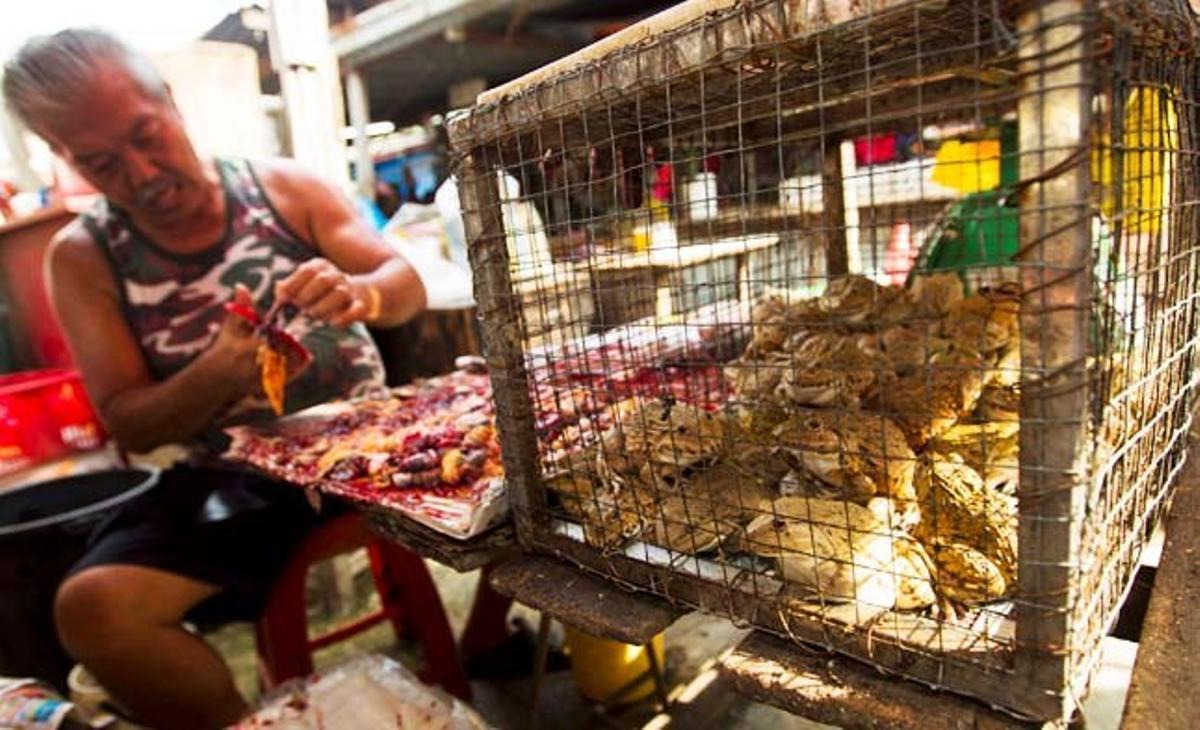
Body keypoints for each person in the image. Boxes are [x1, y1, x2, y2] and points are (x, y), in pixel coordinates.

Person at [2, 29, 427, 728]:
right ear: (63, 157)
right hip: (235, 483)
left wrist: (362, 295)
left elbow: (403, 282)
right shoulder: (83, 257)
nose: (142, 175)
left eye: (146, 136)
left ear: (171, 102)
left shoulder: (284, 189)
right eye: (102, 163)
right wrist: (215, 375)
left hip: (373, 452)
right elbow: (128, 422)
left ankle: (489, 638)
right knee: (93, 609)